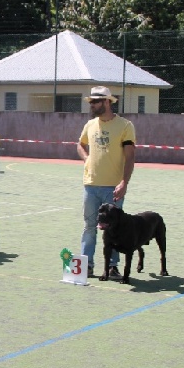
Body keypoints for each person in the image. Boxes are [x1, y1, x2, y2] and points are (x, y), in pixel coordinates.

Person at [77, 86, 136, 280]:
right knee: (89, 227)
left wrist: (124, 182)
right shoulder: (90, 125)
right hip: (91, 185)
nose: (92, 105)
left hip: (113, 187)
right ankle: (86, 265)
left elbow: (130, 157)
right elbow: (80, 144)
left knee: (114, 228)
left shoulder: (125, 126)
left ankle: (112, 266)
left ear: (107, 102)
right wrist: (86, 158)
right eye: (91, 102)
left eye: (96, 102)